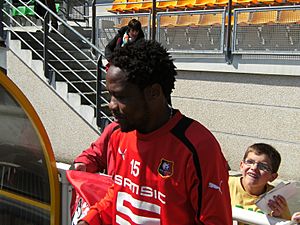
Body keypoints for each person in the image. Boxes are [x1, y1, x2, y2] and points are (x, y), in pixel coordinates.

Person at [77, 39, 232, 225]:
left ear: (154, 93)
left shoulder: (199, 147)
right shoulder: (118, 134)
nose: (111, 105)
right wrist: (89, 220)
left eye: (120, 96)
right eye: (110, 95)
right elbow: (117, 197)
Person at [229, 143, 291, 223]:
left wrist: (279, 217)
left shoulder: (275, 199)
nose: (254, 168)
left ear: (273, 177)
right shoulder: (225, 184)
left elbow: (287, 222)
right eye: (250, 162)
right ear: (241, 165)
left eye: (263, 167)